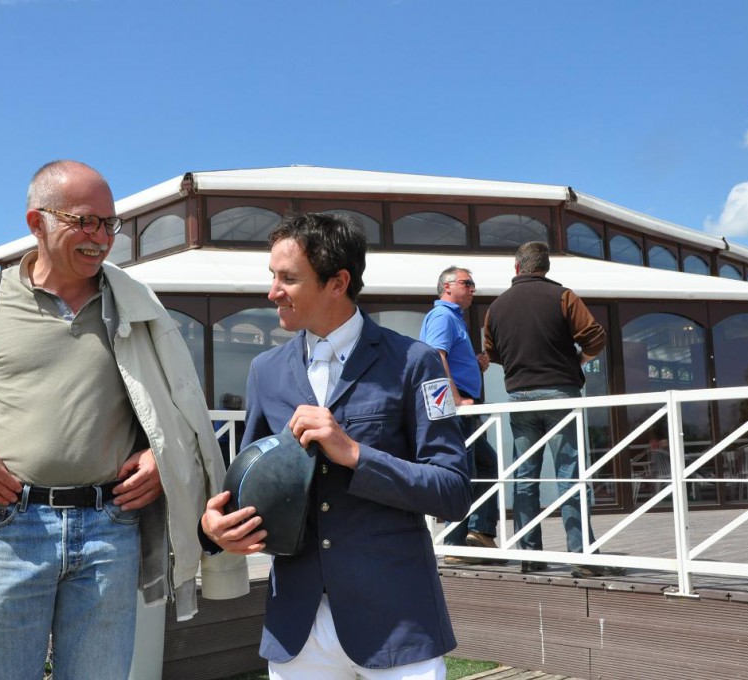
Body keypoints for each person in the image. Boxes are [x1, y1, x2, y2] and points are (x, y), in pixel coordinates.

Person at [0, 160, 247, 680]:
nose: (101, 237)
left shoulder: (135, 302)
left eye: (110, 224)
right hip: (10, 527)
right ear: (36, 222)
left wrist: (161, 456)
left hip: (109, 530)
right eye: (84, 221)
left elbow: (176, 410)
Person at [201, 212, 471, 680]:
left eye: (288, 278)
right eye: (273, 277)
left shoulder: (416, 363)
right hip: (296, 627)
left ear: (337, 282)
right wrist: (215, 528)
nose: (272, 292)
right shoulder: (265, 370)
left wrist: (354, 454)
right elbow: (249, 483)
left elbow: (452, 490)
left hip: (397, 619)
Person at [482, 241, 624, 578]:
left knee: (525, 478)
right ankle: (581, 555)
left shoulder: (497, 307)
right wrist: (575, 362)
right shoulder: (563, 296)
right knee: (569, 475)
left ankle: (530, 556)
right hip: (560, 393)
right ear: (545, 268)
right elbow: (595, 337)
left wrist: (519, 365)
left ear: (517, 268)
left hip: (519, 397)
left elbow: (492, 351)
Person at [419, 266, 504, 565]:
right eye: (467, 283)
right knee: (465, 470)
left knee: (484, 464)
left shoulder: (453, 318)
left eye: (472, 284)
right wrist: (455, 400)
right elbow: (435, 357)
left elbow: (448, 357)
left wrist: (475, 364)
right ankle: (457, 543)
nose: (473, 289)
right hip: (457, 409)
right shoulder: (443, 316)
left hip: (465, 407)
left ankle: (478, 534)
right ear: (447, 287)